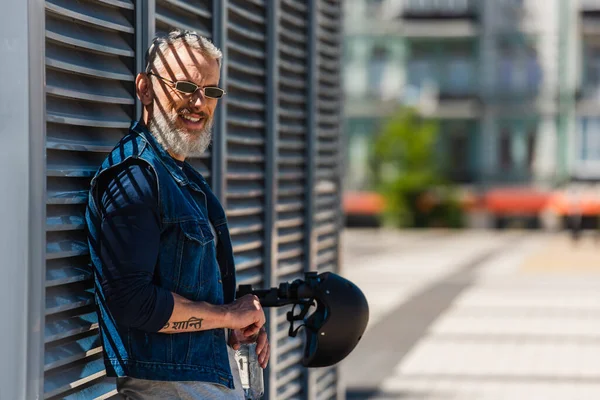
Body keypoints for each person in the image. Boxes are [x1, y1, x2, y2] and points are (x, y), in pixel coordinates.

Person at [85, 29, 269, 399]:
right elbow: (131, 300)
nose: (199, 103)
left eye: (211, 91)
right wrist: (229, 315)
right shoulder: (136, 175)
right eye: (185, 86)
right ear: (145, 88)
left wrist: (228, 330)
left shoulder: (182, 178)